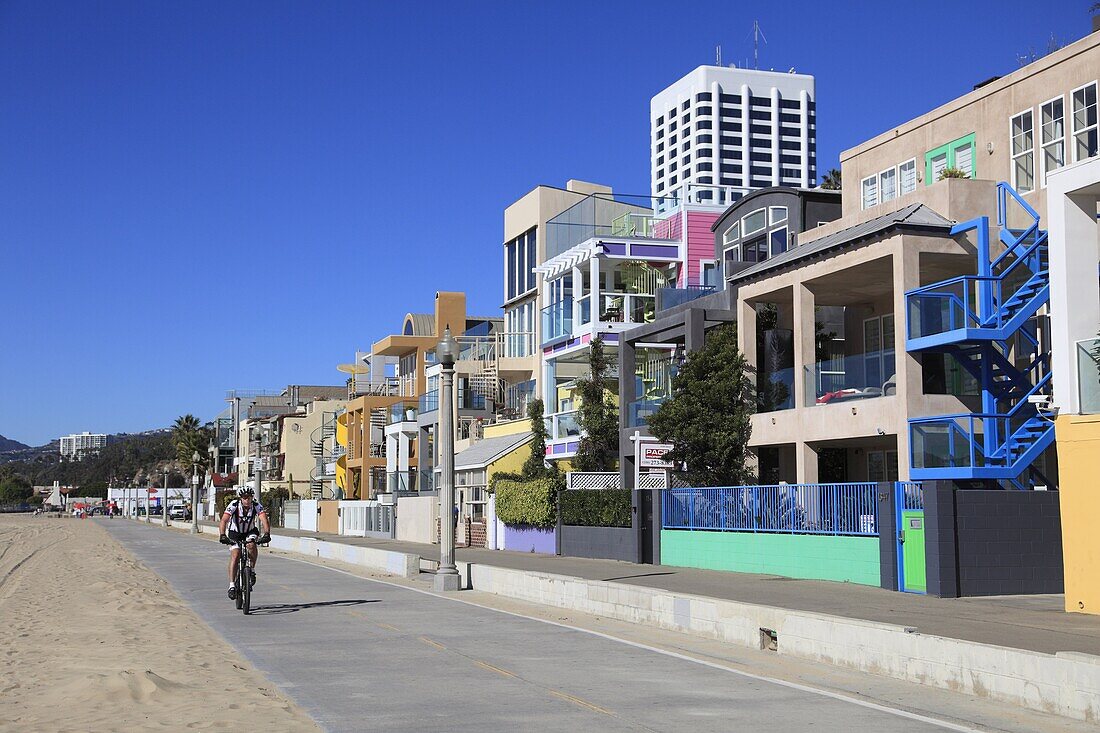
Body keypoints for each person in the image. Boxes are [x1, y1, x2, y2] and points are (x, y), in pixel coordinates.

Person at [218, 487, 270, 600]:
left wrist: (267, 533)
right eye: (245, 498)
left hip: (249, 531)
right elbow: (224, 520)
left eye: (249, 497)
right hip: (235, 533)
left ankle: (252, 570)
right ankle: (231, 585)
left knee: (251, 545)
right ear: (241, 498)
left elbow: (264, 519)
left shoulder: (256, 505)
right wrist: (222, 535)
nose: (247, 500)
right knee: (235, 555)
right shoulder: (234, 504)